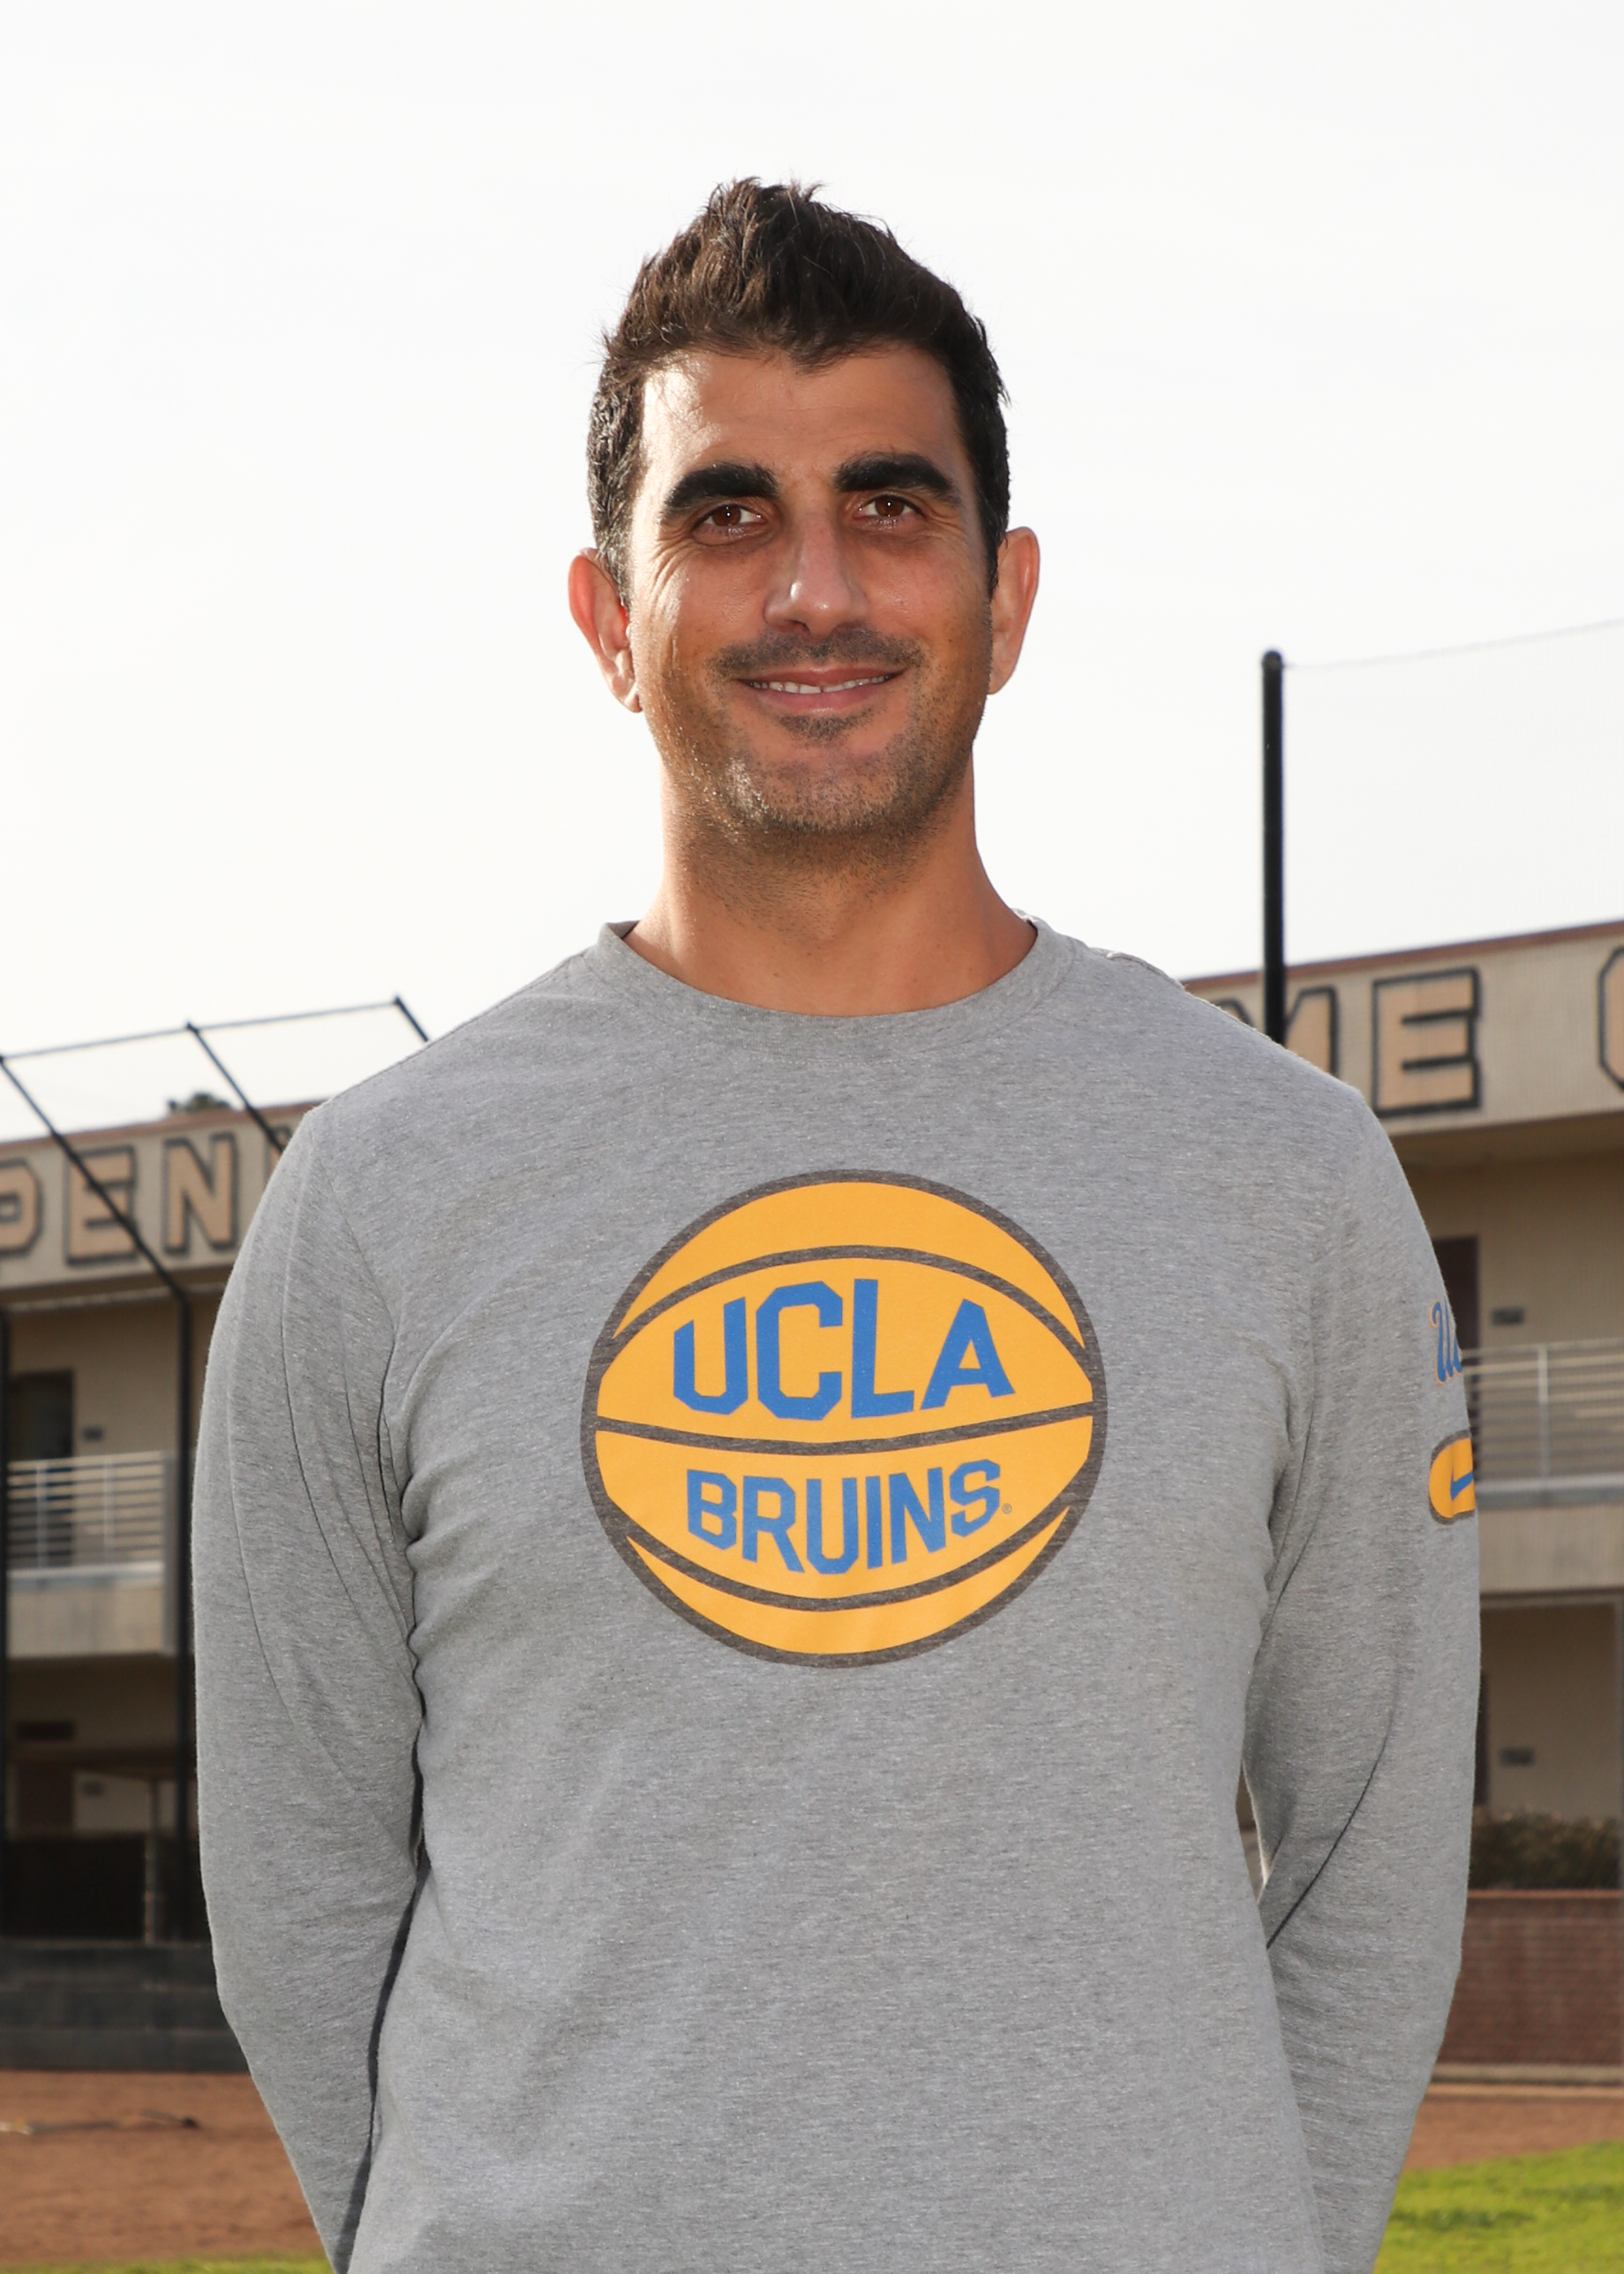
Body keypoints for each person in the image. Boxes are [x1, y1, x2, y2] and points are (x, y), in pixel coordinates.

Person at [195, 180, 1479, 2274]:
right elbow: (301, 1888)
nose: (815, 588)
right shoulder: (377, 1201)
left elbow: (1374, 1868)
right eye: (726, 516)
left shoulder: (1289, 1176)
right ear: (608, 619)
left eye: (890, 505)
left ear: (1008, 595)